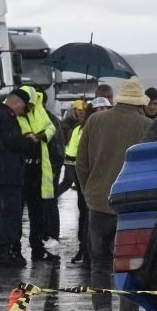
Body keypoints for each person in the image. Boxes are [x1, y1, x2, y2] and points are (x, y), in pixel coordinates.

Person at [75, 78, 152, 311]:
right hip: (130, 210)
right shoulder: (147, 127)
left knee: (99, 262)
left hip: (98, 205)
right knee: (130, 266)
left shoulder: (95, 122)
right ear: (139, 103)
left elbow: (81, 163)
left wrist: (89, 192)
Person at [0, 88, 41, 267]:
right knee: (10, 213)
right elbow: (12, 142)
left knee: (0, 213)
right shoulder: (7, 117)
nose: (22, 111)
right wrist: (29, 141)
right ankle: (6, 253)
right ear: (16, 102)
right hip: (8, 173)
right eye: (22, 107)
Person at [17, 86, 59, 263]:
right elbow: (23, 136)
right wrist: (33, 136)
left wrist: (39, 136)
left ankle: (37, 248)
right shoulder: (14, 115)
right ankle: (14, 248)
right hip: (21, 170)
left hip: (38, 170)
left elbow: (51, 130)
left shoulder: (41, 112)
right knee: (15, 213)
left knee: (38, 214)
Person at [61, 100, 91, 265]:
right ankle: (84, 248)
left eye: (84, 111)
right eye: (79, 111)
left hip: (87, 179)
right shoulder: (77, 129)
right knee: (84, 215)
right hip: (81, 178)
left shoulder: (84, 129)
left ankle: (87, 249)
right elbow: (71, 155)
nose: (81, 113)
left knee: (88, 216)